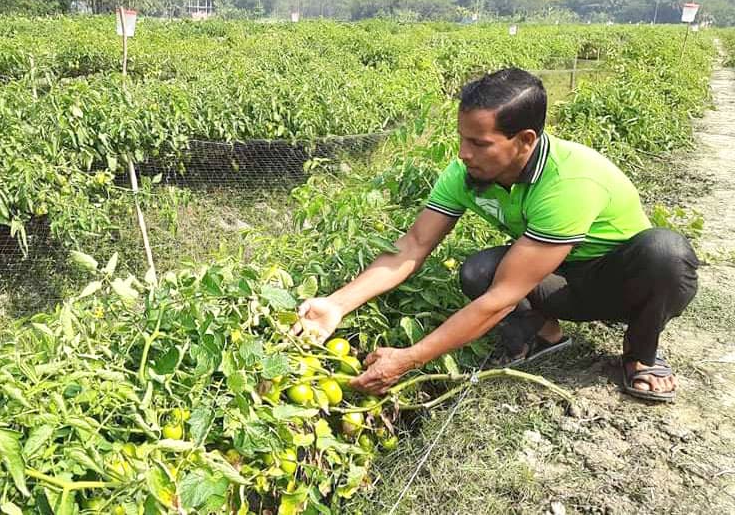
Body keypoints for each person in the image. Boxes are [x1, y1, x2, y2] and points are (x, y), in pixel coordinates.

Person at [292, 68, 698, 403]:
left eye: (479, 143)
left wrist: (409, 358)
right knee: (479, 271)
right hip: (558, 278)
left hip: (621, 283)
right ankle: (546, 335)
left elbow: (503, 298)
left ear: (525, 141)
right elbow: (414, 244)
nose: (463, 153)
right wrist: (337, 304)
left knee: (665, 252)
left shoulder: (570, 181)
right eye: (462, 138)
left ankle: (641, 354)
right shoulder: (466, 174)